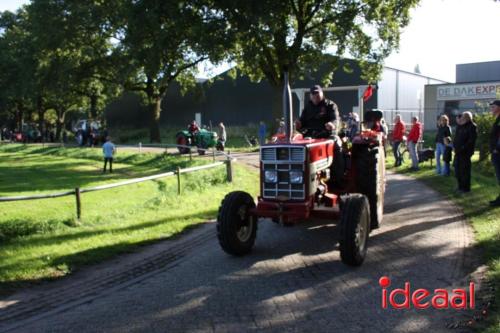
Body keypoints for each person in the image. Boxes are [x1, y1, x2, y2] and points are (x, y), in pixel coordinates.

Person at [295, 84, 344, 186]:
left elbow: (336, 119)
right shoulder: (307, 108)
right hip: (311, 136)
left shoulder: (330, 105)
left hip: (326, 135)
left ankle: (337, 178)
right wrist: (298, 123)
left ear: (322, 93)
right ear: (310, 96)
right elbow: (302, 121)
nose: (315, 96)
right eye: (313, 94)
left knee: (336, 144)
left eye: (317, 94)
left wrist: (332, 124)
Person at [453, 111, 477, 193]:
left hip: (465, 152)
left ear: (467, 118)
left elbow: (471, 140)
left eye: (463, 117)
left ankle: (465, 189)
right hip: (458, 151)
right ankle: (460, 187)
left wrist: (463, 147)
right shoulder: (461, 126)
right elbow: (457, 137)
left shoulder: (472, 126)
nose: (461, 118)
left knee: (464, 171)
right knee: (458, 170)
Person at [488, 100, 500, 206]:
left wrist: (497, 148)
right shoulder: (497, 119)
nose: (491, 108)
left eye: (493, 106)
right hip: (495, 152)